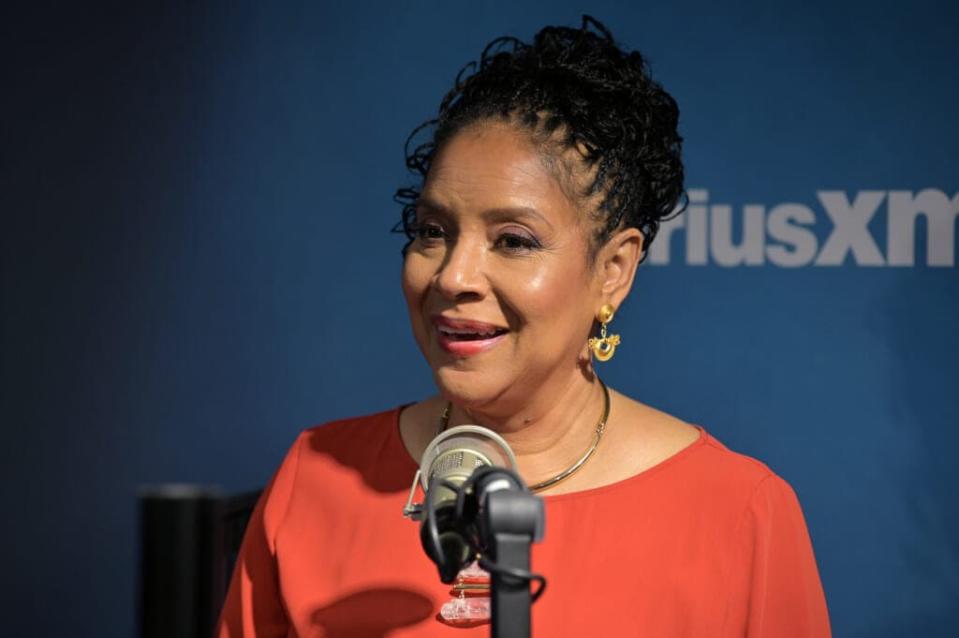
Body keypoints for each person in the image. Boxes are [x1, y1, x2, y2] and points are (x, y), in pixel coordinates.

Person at [217, 16, 830, 637]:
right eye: (433, 232)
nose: (455, 276)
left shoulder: (738, 511)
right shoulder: (315, 476)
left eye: (513, 240)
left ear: (613, 271)